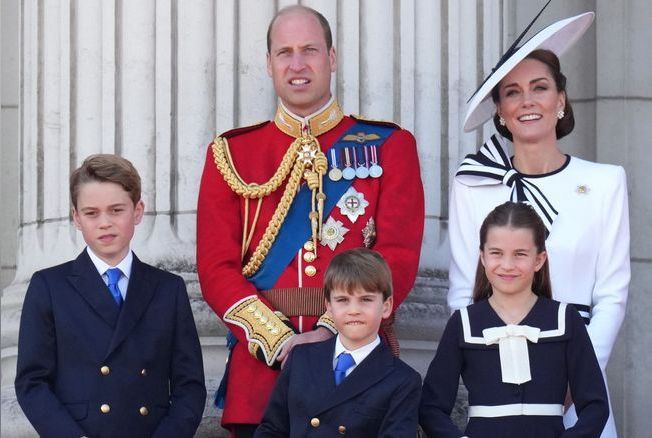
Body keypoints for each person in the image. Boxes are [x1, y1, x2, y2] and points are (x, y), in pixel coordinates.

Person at [196, 5, 424, 435]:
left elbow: (397, 253)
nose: (297, 64)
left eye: (310, 50)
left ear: (332, 58)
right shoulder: (230, 154)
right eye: (284, 52)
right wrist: (279, 343)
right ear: (268, 64)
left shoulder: (389, 145)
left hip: (355, 375)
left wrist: (330, 329)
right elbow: (215, 268)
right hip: (262, 378)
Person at [447, 10, 628, 436]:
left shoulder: (605, 182)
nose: (527, 101)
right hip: (498, 384)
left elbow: (613, 295)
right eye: (512, 92)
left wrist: (573, 375)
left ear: (560, 100)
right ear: (500, 111)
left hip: (579, 385)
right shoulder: (473, 184)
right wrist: (490, 373)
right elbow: (461, 293)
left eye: (540, 88)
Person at [15, 154, 207, 437]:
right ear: (76, 218)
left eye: (116, 210)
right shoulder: (49, 286)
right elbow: (32, 382)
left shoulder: (168, 289)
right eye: (91, 213)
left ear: (138, 211)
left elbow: (189, 386)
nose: (104, 223)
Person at [421, 202, 608, 437]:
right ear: (482, 257)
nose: (507, 265)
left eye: (520, 254)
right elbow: (431, 407)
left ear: (539, 260)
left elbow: (596, 406)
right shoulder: (464, 323)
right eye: (496, 253)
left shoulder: (565, 319)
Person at [255, 248, 421, 437]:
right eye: (343, 300)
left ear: (386, 306)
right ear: (329, 307)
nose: (353, 310)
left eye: (366, 299)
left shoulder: (402, 380)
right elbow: (272, 429)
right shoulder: (301, 358)